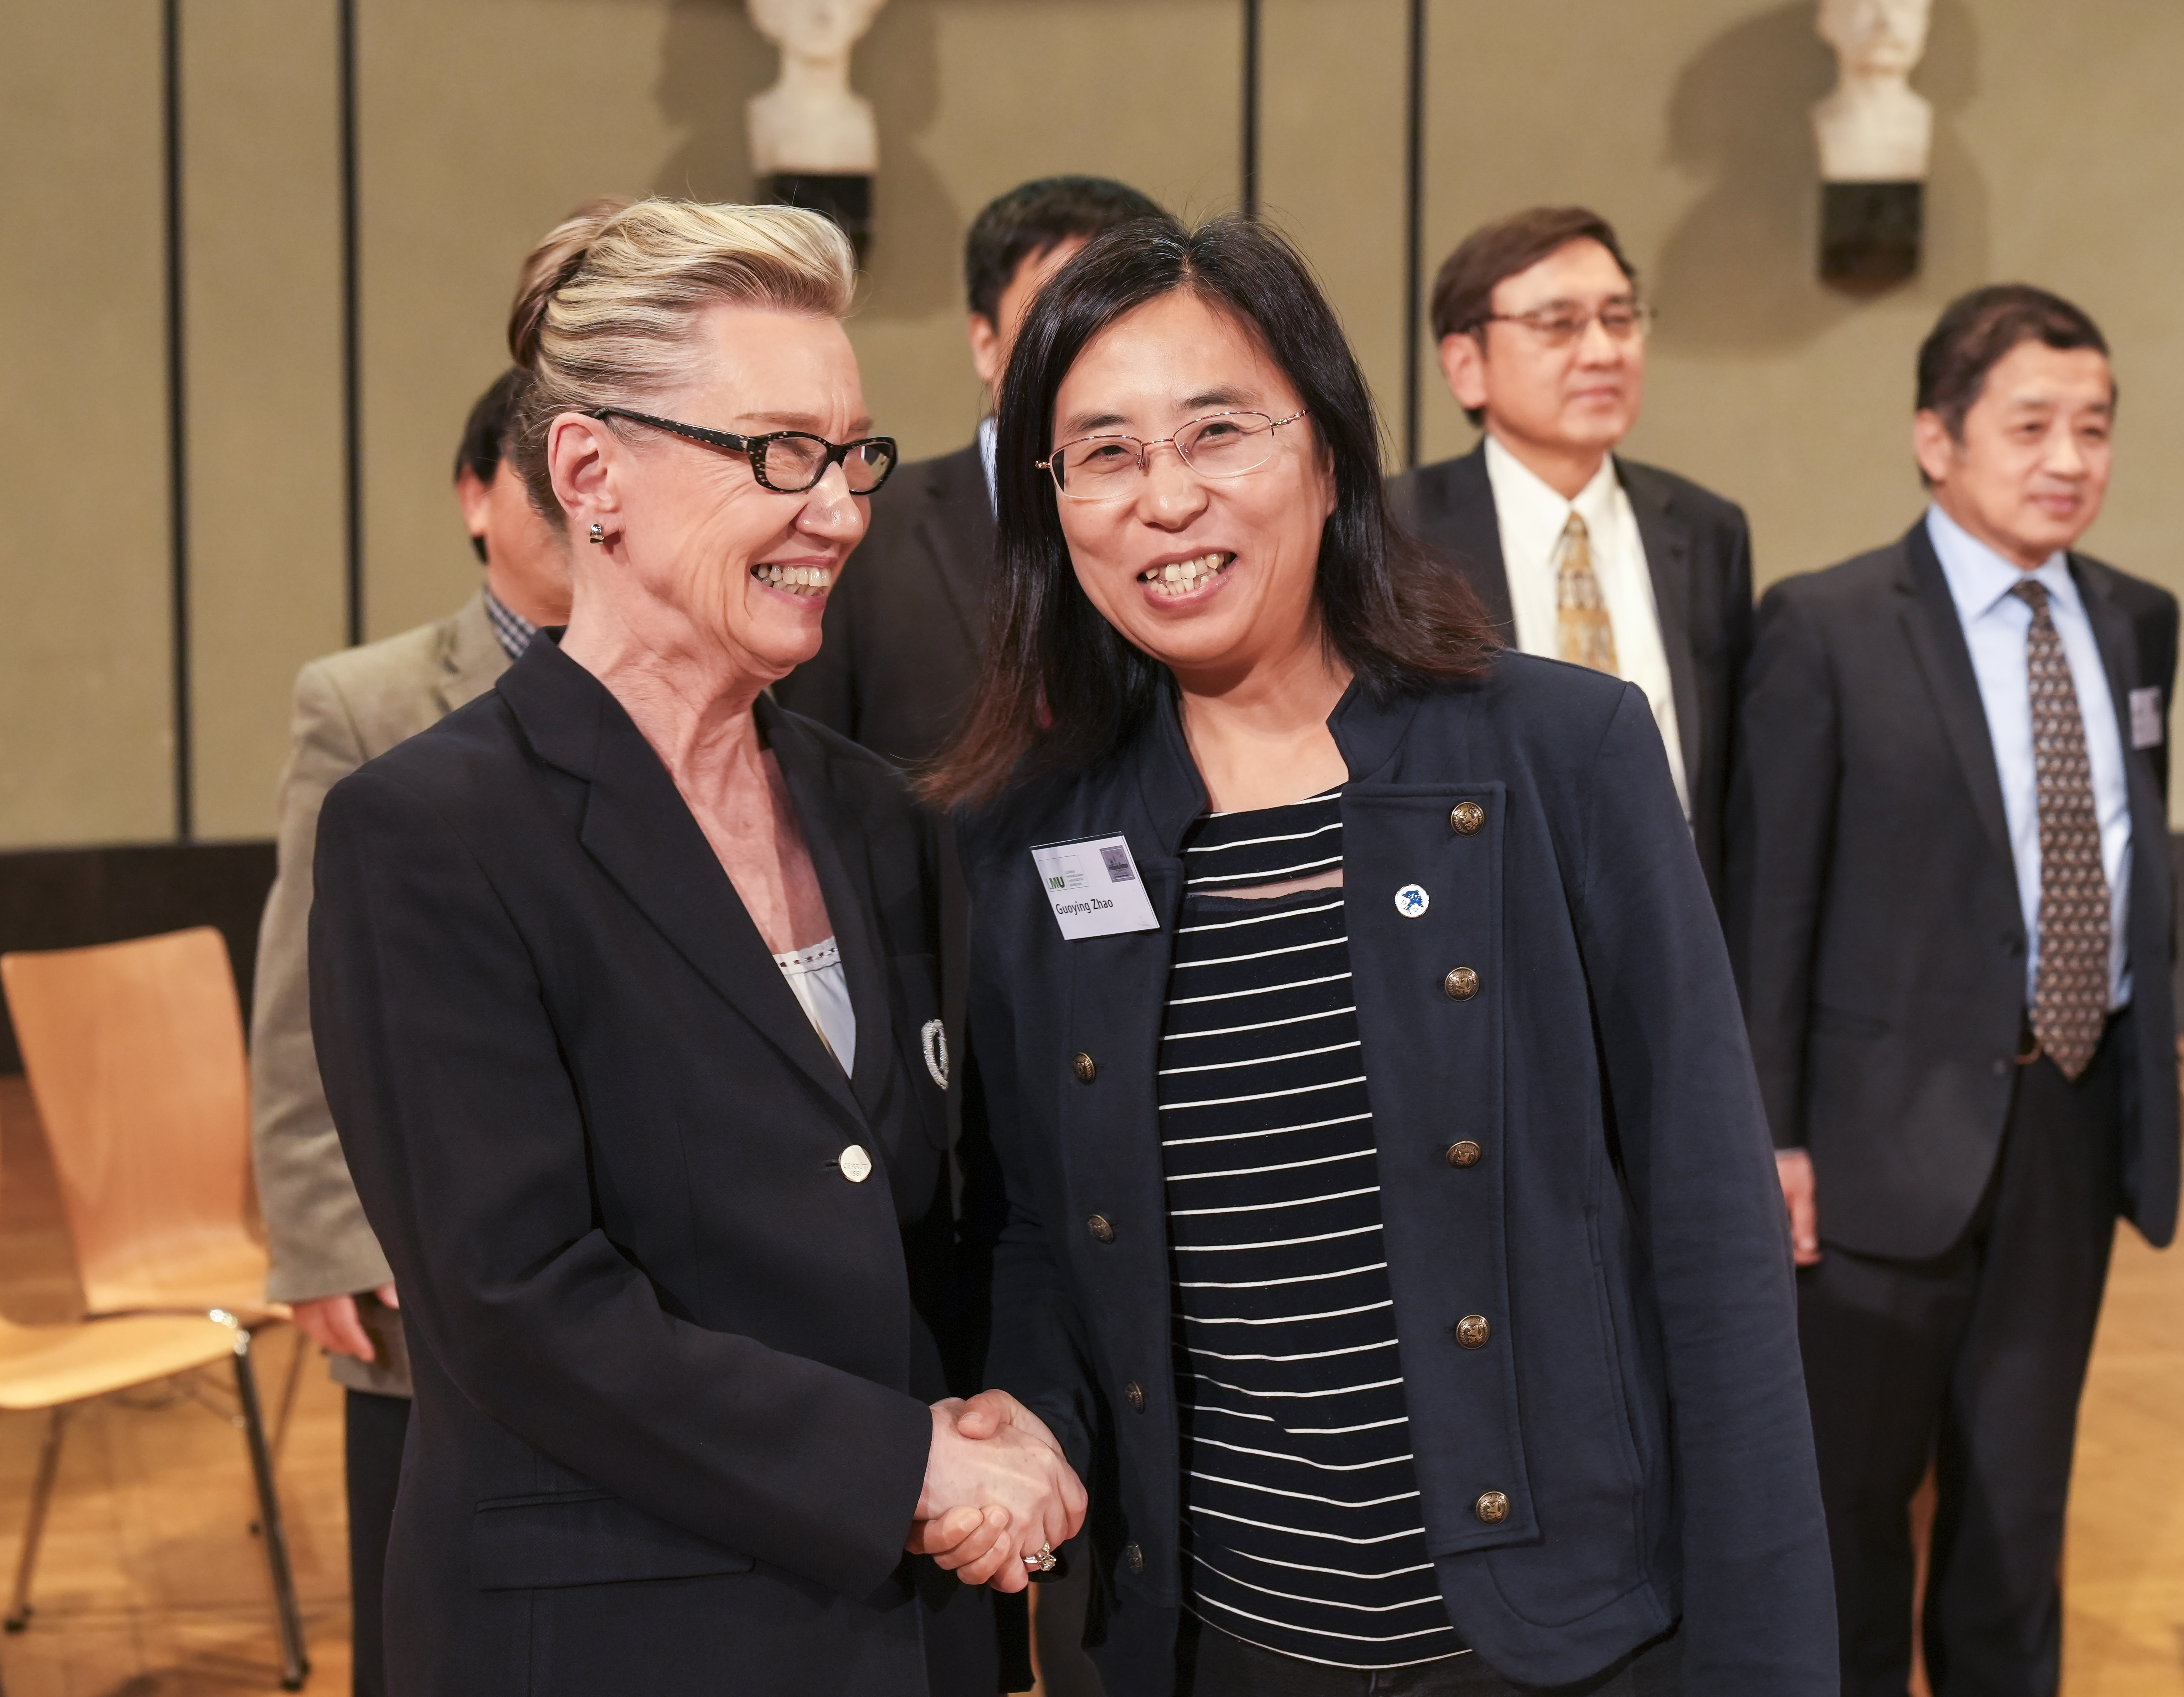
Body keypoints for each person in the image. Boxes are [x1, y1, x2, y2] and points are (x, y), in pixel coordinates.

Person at [931, 214, 1834, 1695]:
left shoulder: (1561, 751)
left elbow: (1709, 1236)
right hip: (1222, 1645)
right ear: (1048, 505)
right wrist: (1026, 1415)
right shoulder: (1031, 835)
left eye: (1217, 431)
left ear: (1330, 449)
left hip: (1559, 1643)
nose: (1165, 497)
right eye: (1100, 453)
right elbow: (1040, 1223)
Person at [307, 198, 1085, 1696]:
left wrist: (1025, 1415)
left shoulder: (877, 811)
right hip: (612, 1623)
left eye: (853, 452)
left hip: (903, 1621)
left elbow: (979, 1206)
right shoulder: (426, 831)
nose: (840, 508)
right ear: (592, 472)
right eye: (777, 451)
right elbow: (518, 1302)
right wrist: (904, 1466)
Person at [1727, 285, 2178, 1697]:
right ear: (1935, 439)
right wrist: (1774, 1139)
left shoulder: (2136, 623)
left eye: (2092, 427)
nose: (2068, 457)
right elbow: (1772, 906)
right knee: (1853, 1523)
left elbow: (2123, 847)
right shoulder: (1827, 625)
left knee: (2014, 1523)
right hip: (1867, 1150)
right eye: (2029, 424)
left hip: (2068, 1115)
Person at [249, 361, 573, 1697]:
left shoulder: (706, 692)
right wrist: (323, 1231)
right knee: (420, 1624)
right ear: (475, 497)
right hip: (411, 1257)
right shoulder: (367, 699)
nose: (572, 505)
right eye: (539, 479)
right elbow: (297, 992)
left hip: (596, 1247)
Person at [1386, 206, 1751, 903]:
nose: (1602, 352)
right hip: (1482, 920)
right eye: (1558, 325)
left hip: (1671, 911)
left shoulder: (1706, 530)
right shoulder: (1397, 531)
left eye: (1619, 319)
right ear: (1467, 366)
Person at [775, 175, 1164, 767]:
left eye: (1124, 315)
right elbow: (810, 763)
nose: (1094, 347)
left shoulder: (1179, 518)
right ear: (985, 342)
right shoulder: (861, 527)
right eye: (1060, 313)